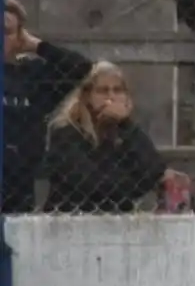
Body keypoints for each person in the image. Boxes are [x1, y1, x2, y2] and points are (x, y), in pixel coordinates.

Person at [42, 61, 186, 213]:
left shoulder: (124, 132)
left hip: (117, 218)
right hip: (73, 219)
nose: (111, 97)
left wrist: (125, 123)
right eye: (103, 91)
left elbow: (155, 169)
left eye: (117, 90)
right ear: (87, 96)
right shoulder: (66, 132)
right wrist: (138, 183)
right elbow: (92, 185)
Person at [4, 0, 91, 213]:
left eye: (5, 32)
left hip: (18, 186)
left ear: (19, 37)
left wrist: (36, 45)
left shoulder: (33, 76)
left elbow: (81, 67)